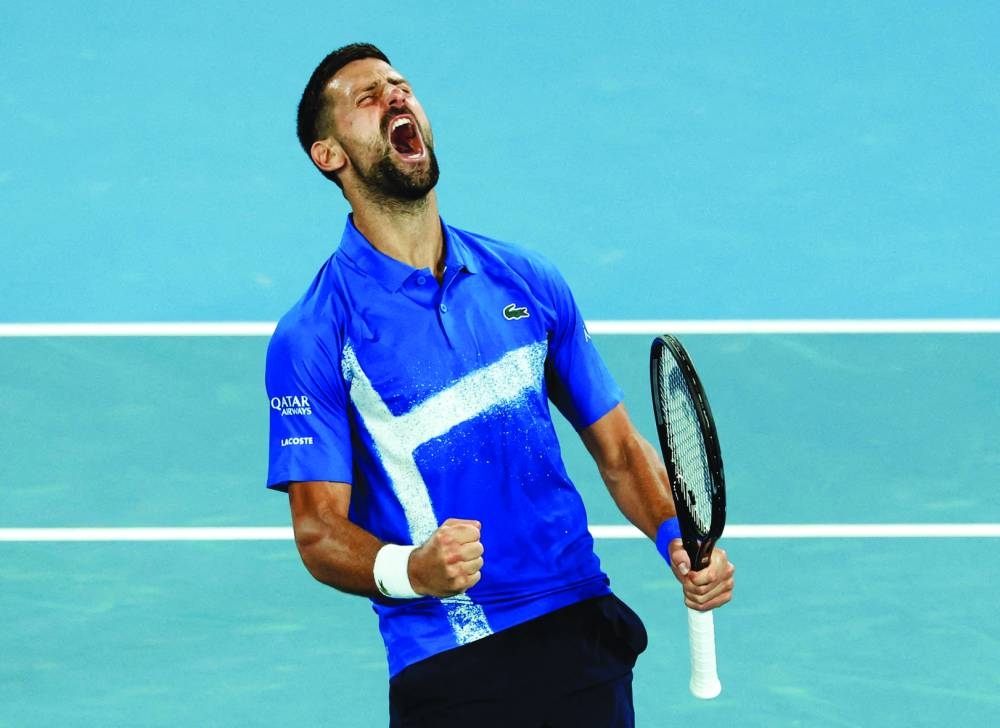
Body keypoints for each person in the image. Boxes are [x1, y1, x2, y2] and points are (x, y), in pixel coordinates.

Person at [265, 42, 735, 727]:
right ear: (328, 154)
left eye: (401, 87)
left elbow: (621, 451)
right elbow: (319, 533)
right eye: (368, 98)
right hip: (454, 658)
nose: (396, 97)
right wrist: (413, 570)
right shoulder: (315, 335)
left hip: (580, 629)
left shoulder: (526, 280)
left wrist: (675, 539)